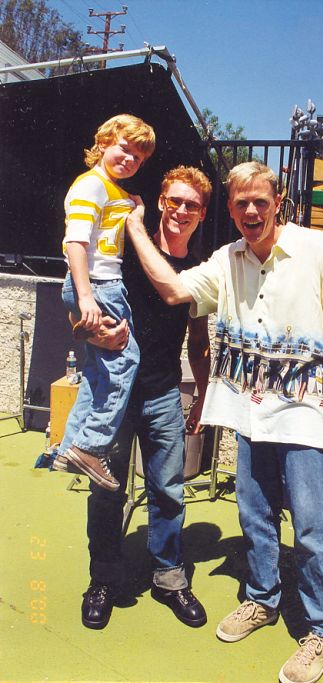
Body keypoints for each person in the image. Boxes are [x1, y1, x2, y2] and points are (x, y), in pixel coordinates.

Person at [125, 161, 323, 683]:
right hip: (250, 411)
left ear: (278, 199)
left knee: (311, 527)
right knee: (255, 516)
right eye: (240, 202)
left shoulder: (318, 250)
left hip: (306, 414)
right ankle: (262, 599)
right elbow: (174, 290)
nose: (250, 211)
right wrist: (133, 228)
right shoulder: (227, 259)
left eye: (259, 200)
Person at [58, 166, 212, 631]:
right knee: (107, 491)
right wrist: (90, 334)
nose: (180, 211)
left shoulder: (200, 271)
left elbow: (199, 340)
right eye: (174, 201)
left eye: (191, 205)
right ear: (161, 201)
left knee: (168, 490)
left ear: (202, 215)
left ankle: (169, 578)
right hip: (113, 396)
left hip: (164, 393)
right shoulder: (120, 255)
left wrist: (203, 394)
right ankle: (102, 578)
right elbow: (78, 314)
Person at [55, 114, 156, 491]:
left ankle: (70, 448)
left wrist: (134, 208)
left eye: (138, 158)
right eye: (124, 149)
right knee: (124, 359)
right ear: (102, 143)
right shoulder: (90, 186)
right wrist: (86, 296)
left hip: (101, 284)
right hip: (98, 284)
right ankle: (92, 444)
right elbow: (75, 243)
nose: (129, 160)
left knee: (98, 374)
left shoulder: (112, 190)